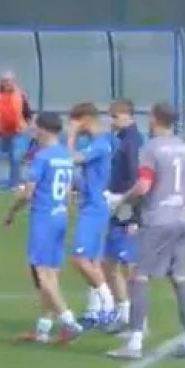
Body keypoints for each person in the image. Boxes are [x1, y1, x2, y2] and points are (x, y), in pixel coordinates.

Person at [108, 102, 185, 361]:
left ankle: (134, 343)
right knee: (180, 278)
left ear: (155, 119)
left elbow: (144, 185)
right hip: (181, 218)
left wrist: (122, 200)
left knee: (139, 277)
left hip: (156, 220)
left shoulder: (151, 148)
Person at [2, 111, 80, 344]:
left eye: (35, 126)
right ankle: (44, 328)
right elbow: (68, 192)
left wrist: (12, 211)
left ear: (44, 129)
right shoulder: (65, 156)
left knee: (42, 274)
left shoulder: (42, 157)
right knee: (52, 274)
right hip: (60, 216)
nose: (32, 129)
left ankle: (69, 321)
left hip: (44, 218)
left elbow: (28, 193)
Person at [66, 102, 116, 328]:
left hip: (94, 208)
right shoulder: (96, 144)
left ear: (85, 119)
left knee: (80, 259)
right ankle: (94, 311)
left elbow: (70, 159)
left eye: (76, 121)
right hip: (91, 205)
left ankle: (109, 304)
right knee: (93, 261)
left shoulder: (100, 145)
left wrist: (71, 136)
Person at [102, 99, 146, 330]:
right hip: (118, 208)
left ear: (128, 116)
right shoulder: (124, 141)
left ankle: (139, 319)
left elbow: (139, 181)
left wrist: (136, 216)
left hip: (128, 210)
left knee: (129, 266)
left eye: (115, 116)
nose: (111, 121)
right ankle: (125, 314)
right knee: (109, 263)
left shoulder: (132, 143)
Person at [0, 71, 33, 188]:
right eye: (5, 81)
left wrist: (25, 126)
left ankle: (14, 185)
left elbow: (28, 114)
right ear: (0, 82)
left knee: (16, 159)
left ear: (14, 81)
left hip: (15, 134)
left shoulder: (21, 95)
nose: (7, 83)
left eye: (10, 80)